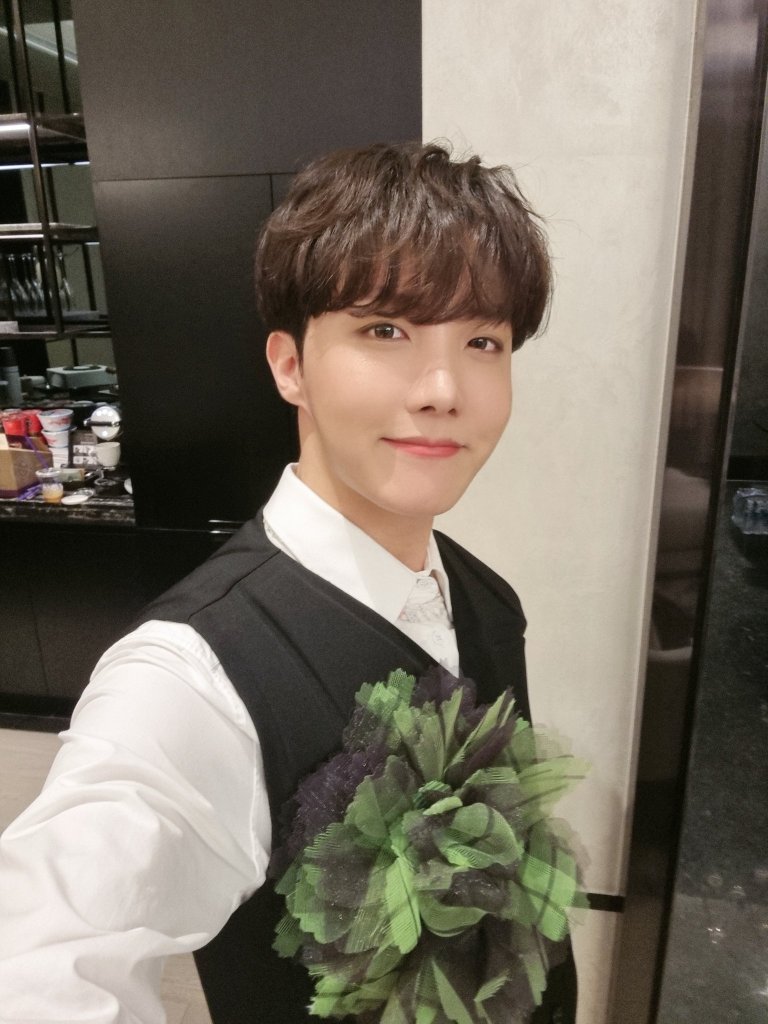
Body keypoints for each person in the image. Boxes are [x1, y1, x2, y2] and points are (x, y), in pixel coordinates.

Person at [0, 141, 576, 1022]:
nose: (443, 388)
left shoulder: (487, 599)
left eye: (483, 341)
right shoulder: (195, 673)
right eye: (386, 331)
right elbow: (41, 956)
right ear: (291, 365)